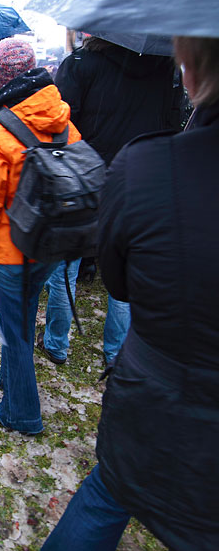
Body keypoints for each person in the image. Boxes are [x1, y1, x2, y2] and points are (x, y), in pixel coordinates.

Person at [32, 35, 219, 551]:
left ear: (190, 66)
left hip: (152, 390)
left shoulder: (146, 166)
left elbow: (118, 277)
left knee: (111, 490)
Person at [0, 38, 80, 433]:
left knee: (15, 329)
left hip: (12, 251)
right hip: (51, 241)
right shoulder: (61, 115)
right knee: (23, 318)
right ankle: (11, 379)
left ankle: (21, 412)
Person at [38, 37, 182, 366]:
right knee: (128, 270)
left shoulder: (79, 65)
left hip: (83, 179)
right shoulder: (163, 68)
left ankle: (57, 343)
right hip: (142, 178)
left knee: (65, 267)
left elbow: (57, 124)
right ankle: (116, 353)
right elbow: (172, 124)